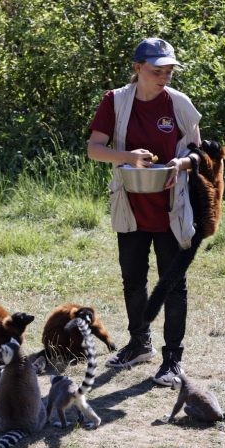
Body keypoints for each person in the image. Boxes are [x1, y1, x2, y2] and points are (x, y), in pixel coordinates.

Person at [87, 37, 202, 386]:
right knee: (133, 281)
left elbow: (201, 153)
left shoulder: (178, 103)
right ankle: (139, 344)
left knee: (173, 285)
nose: (164, 76)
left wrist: (181, 163)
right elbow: (95, 149)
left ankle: (172, 359)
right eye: (157, 70)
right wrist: (128, 157)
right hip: (131, 207)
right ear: (138, 69)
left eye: (169, 70)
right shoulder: (116, 101)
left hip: (171, 209)